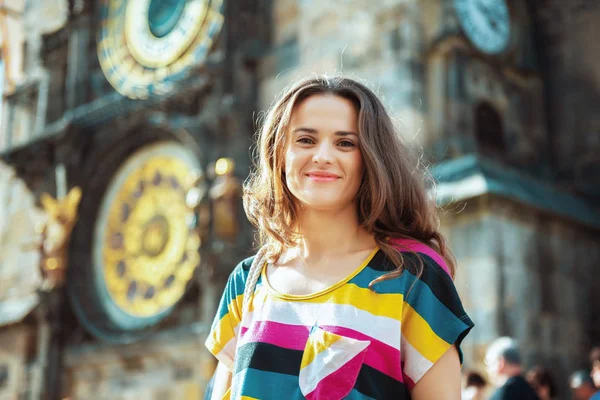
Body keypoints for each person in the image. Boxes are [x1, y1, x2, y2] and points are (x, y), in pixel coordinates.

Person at [205, 75, 474, 399]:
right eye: (305, 140)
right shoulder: (246, 282)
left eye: (345, 143)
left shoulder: (413, 278)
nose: (322, 155)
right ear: (279, 154)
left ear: (370, 159)